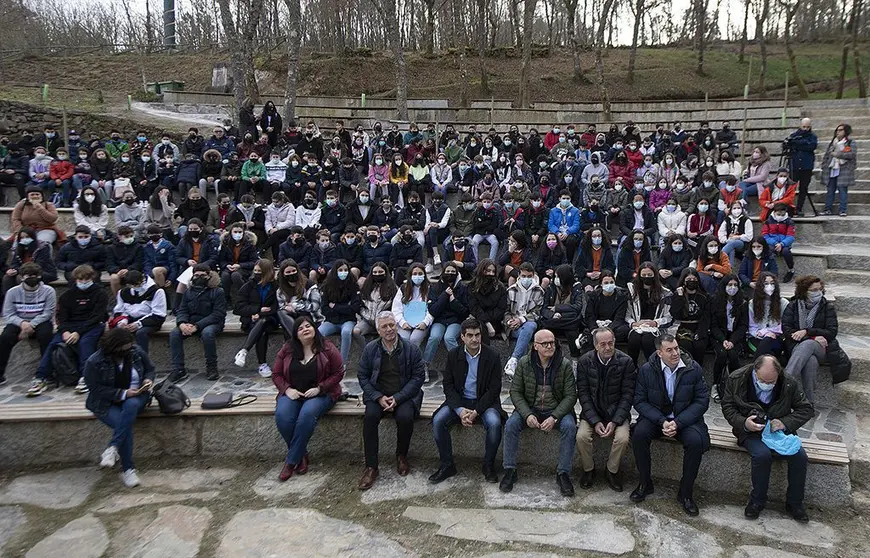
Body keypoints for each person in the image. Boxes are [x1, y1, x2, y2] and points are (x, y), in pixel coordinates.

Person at [721, 355, 813, 522]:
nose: (768, 385)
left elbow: (806, 408)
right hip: (750, 431)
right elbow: (728, 407)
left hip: (778, 431)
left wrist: (784, 423)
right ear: (755, 372)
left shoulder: (788, 382)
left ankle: (795, 503)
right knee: (762, 456)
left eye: (772, 382)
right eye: (764, 381)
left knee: (799, 456)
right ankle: (757, 501)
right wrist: (744, 423)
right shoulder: (737, 378)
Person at [631, 334, 710, 516]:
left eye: (676, 348)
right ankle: (645, 483)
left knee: (696, 442)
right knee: (639, 435)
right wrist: (661, 421)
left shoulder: (693, 368)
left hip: (685, 420)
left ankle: (686, 493)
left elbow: (702, 400)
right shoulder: (646, 370)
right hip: (658, 418)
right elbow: (640, 401)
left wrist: (678, 422)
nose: (675, 353)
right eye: (669, 350)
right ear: (659, 353)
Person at [499, 328, 578, 496]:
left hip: (556, 410)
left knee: (570, 427)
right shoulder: (524, 363)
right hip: (530, 408)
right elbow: (516, 392)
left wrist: (554, 416)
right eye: (545, 343)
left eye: (552, 343)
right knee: (511, 424)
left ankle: (563, 473)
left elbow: (571, 395)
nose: (550, 346)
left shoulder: (564, 365)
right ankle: (510, 470)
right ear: (535, 346)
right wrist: (527, 414)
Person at [429, 318, 504, 484]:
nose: (474, 339)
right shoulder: (453, 355)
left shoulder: (492, 356)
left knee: (494, 423)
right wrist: (460, 410)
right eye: (469, 335)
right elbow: (448, 386)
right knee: (438, 421)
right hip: (460, 402)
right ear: (462, 337)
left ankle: (488, 465)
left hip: (484, 403)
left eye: (477, 335)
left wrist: (477, 411)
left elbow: (494, 389)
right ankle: (447, 465)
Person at [357, 311, 426, 490]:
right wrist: (378, 397)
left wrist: (398, 397)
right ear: (378, 331)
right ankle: (371, 466)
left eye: (391, 325)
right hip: (378, 394)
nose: (389, 329)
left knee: (405, 417)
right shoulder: (370, 349)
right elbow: (363, 376)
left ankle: (401, 455)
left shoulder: (411, 348)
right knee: (370, 417)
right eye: (384, 327)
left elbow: (418, 377)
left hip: (403, 395)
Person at [272, 314, 344, 481]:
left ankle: (290, 462)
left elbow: (339, 372)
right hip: (293, 393)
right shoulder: (287, 349)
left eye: (308, 326)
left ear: (314, 328)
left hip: (322, 394)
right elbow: (276, 374)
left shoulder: (327, 347)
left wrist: (320, 388)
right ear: (296, 334)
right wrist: (287, 389)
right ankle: (301, 454)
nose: (305, 329)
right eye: (300, 328)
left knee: (306, 415)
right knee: (283, 417)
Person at [84, 328, 156, 488]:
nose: (128, 351)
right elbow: (95, 389)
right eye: (124, 349)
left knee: (130, 406)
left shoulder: (136, 352)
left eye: (129, 347)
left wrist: (148, 380)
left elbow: (150, 369)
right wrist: (122, 393)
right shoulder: (94, 362)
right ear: (113, 348)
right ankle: (128, 469)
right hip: (107, 401)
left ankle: (113, 447)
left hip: (137, 396)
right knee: (124, 425)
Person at [27, 264, 108, 397]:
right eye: (80, 280)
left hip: (92, 325)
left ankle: (85, 376)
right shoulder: (67, 295)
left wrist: (78, 333)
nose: (83, 283)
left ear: (91, 278)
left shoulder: (100, 293)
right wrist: (65, 331)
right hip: (70, 326)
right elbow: (61, 317)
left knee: (85, 343)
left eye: (86, 280)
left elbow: (98, 316)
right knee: (53, 344)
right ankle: (40, 377)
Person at [575, 327, 637, 492]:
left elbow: (627, 395)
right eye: (603, 344)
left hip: (617, 413)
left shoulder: (626, 362)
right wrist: (595, 421)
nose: (608, 347)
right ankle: (589, 470)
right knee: (581, 436)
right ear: (595, 345)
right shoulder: (584, 361)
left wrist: (615, 421)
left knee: (623, 438)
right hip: (592, 413)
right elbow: (584, 394)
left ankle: (612, 470)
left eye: (610, 343)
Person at [782, 275, 838, 405]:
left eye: (819, 289)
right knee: (810, 361)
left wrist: (807, 332)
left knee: (808, 344)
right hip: (797, 347)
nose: (817, 292)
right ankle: (808, 402)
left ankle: (783, 386)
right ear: (804, 291)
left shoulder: (827, 307)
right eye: (813, 290)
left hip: (822, 348)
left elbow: (832, 332)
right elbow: (787, 330)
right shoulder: (793, 305)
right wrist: (811, 337)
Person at [169, 263, 227, 382]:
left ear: (209, 276)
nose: (199, 277)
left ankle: (212, 367)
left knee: (207, 333)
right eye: (196, 275)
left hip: (212, 323)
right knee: (175, 333)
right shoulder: (188, 292)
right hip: (191, 322)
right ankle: (178, 369)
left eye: (202, 275)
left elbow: (218, 314)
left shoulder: (218, 291)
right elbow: (182, 310)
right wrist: (182, 323)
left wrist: (197, 326)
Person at [0, 262, 56, 385]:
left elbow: (48, 313)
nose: (31, 278)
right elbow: (8, 314)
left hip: (40, 321)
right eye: (27, 275)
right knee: (5, 337)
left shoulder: (48, 291)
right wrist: (23, 323)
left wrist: (32, 324)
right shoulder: (12, 292)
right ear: (22, 277)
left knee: (46, 336)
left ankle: (47, 374)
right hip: (19, 322)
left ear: (40, 276)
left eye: (34, 275)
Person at [423, 262, 470, 382]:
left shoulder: (462, 289)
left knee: (449, 338)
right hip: (439, 320)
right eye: (447, 272)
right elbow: (433, 310)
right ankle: (424, 366)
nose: (450, 274)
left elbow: (465, 311)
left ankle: (459, 366)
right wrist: (444, 296)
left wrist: (453, 300)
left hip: (455, 321)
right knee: (434, 337)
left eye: (453, 272)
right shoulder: (435, 289)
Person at [233, 259, 279, 377]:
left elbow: (276, 306)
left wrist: (260, 314)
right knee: (261, 332)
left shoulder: (275, 286)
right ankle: (261, 364)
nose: (257, 273)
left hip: (270, 319)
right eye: (256, 271)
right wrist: (255, 310)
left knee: (263, 322)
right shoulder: (248, 286)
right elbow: (238, 307)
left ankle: (244, 351)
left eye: (260, 271)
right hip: (250, 320)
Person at [710, 275, 748, 402]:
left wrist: (732, 341)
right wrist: (723, 340)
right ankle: (716, 385)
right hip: (719, 336)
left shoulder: (742, 302)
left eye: (735, 285)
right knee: (721, 355)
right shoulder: (715, 301)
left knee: (733, 355)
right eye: (729, 285)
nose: (732, 288)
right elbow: (713, 325)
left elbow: (743, 325)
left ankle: (734, 387)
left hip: (735, 337)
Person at [503, 263, 545, 377]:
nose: (526, 279)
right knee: (525, 334)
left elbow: (537, 313)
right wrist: (509, 322)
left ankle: (513, 360)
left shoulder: (539, 291)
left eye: (529, 276)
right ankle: (521, 370)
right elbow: (506, 311)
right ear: (519, 276)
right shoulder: (511, 290)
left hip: (529, 324)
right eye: (523, 276)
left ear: (533, 276)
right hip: (513, 327)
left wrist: (521, 320)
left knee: (530, 326)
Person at [625, 262, 673, 363]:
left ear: (655, 276)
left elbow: (669, 317)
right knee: (634, 339)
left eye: (650, 275)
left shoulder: (665, 293)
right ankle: (631, 367)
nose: (647, 277)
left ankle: (652, 366)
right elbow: (627, 314)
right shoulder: (633, 291)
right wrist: (633, 323)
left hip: (656, 327)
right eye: (644, 275)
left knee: (647, 340)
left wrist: (655, 323)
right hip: (637, 326)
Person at [110, 269, 167, 353]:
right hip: (129, 320)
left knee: (141, 333)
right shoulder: (122, 293)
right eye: (133, 285)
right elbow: (119, 311)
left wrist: (138, 324)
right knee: (117, 332)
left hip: (150, 321)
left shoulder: (157, 291)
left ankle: (143, 360)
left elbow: (159, 314)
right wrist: (122, 322)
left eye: (139, 284)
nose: (136, 287)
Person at [317, 260, 361, 366]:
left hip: (348, 320)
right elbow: (324, 309)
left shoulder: (353, 286)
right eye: (340, 270)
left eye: (346, 270)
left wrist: (335, 306)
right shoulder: (327, 286)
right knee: (318, 333)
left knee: (346, 332)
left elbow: (354, 308)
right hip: (331, 321)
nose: (343, 272)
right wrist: (345, 307)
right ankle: (321, 361)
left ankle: (342, 364)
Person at [670, 269, 710, 364]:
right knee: (685, 345)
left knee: (699, 345)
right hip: (682, 327)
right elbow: (675, 314)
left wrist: (700, 332)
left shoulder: (704, 296)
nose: (691, 281)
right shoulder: (678, 295)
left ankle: (698, 370)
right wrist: (680, 297)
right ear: (683, 280)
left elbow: (706, 317)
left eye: (694, 279)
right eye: (689, 279)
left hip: (699, 326)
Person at [276, 259, 324, 334]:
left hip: (310, 317)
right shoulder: (280, 291)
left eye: (293, 271)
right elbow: (281, 306)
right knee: (281, 313)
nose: (291, 273)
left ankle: (295, 340)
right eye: (288, 272)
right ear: (283, 275)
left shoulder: (309, 285)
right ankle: (296, 339)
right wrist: (286, 307)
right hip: (293, 317)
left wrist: (295, 306)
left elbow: (315, 307)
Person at [749, 272, 788, 360]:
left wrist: (768, 331)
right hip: (756, 338)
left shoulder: (783, 303)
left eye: (772, 283)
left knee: (767, 346)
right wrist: (762, 333)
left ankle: (754, 371)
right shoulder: (752, 303)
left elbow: (784, 326)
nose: (769, 286)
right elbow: (751, 327)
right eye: (766, 283)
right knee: (768, 354)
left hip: (776, 338)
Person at [468, 259, 509, 345]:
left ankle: (484, 356)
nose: (491, 274)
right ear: (481, 270)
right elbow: (474, 307)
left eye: (493, 271)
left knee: (480, 327)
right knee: (475, 326)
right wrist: (487, 323)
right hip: (478, 318)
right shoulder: (472, 286)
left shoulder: (500, 287)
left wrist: (486, 321)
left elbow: (500, 309)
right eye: (488, 271)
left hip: (494, 321)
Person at [392, 263, 433, 346]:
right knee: (403, 339)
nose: (417, 276)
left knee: (415, 339)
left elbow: (432, 309)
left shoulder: (430, 289)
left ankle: (415, 358)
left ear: (424, 275)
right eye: (414, 274)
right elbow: (396, 308)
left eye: (420, 274)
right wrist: (402, 322)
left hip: (422, 323)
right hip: (405, 322)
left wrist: (425, 322)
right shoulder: (403, 288)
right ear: (410, 276)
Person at [355, 262, 397, 342]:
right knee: (356, 331)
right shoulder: (366, 287)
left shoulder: (393, 288)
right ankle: (367, 351)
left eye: (380, 272)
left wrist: (382, 319)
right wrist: (368, 317)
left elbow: (394, 307)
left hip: (385, 320)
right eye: (375, 272)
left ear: (385, 273)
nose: (377, 274)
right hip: (367, 320)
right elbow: (360, 305)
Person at [821, 123, 856, 216]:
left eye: (841, 130)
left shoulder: (850, 142)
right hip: (832, 168)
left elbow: (851, 155)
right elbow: (827, 155)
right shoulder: (833, 142)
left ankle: (843, 210)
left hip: (844, 169)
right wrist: (824, 165)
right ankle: (827, 209)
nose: (838, 132)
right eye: (837, 130)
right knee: (830, 189)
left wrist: (838, 154)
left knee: (842, 190)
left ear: (846, 132)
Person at [218, 223, 258, 302]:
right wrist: (227, 265)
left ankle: (244, 296)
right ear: (231, 232)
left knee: (235, 275)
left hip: (244, 268)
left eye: (240, 232)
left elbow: (254, 262)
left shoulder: (249, 244)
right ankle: (226, 298)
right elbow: (221, 260)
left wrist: (240, 265)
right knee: (225, 275)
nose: (237, 234)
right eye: (235, 232)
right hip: (229, 267)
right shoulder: (226, 244)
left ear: (243, 233)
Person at [787, 118, 818, 216]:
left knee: (803, 189)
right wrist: (801, 144)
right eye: (804, 127)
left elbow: (811, 146)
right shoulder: (794, 135)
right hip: (795, 166)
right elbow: (789, 145)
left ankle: (799, 208)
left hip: (806, 166)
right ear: (800, 126)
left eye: (808, 127)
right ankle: (789, 208)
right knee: (790, 188)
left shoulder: (812, 136)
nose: (805, 129)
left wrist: (798, 144)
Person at [762, 203, 797, 283]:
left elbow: (791, 236)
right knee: (769, 251)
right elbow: (765, 235)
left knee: (786, 252)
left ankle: (791, 270)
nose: (780, 216)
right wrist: (775, 243)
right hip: (771, 242)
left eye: (782, 214)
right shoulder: (768, 221)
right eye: (778, 214)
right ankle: (771, 272)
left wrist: (782, 244)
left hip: (784, 243)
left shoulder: (789, 221)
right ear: (774, 212)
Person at [717, 200, 752, 269]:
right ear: (731, 209)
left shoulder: (746, 220)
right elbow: (721, 232)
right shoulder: (727, 219)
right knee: (731, 249)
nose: (737, 210)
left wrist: (737, 237)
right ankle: (730, 268)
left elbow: (749, 236)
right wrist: (726, 240)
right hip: (729, 242)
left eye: (738, 208)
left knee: (732, 243)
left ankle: (718, 257)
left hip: (742, 244)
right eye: (734, 208)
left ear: (742, 209)